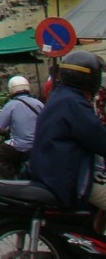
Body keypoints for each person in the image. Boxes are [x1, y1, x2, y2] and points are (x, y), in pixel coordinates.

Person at [28, 50, 106, 224]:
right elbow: (100, 139)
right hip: (67, 179)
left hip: (49, 174)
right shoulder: (74, 104)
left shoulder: (60, 97)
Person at [0, 75, 43, 179]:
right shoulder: (39, 104)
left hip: (19, 146)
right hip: (36, 146)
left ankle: (3, 183)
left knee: (1, 154)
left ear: (11, 89)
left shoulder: (11, 105)